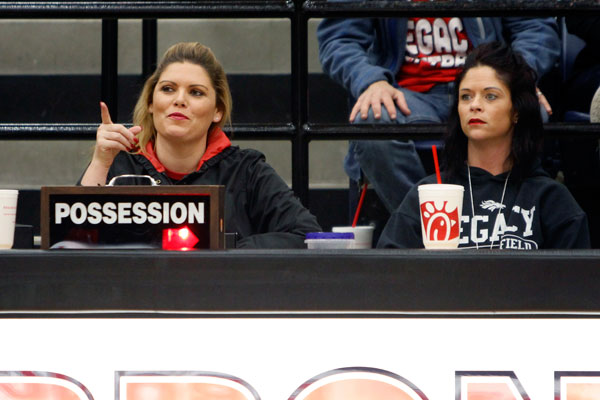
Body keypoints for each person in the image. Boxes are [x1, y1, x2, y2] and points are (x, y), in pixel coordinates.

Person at [317, 6, 560, 215]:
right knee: (372, 119)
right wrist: (371, 81)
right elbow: (339, 39)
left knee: (529, 111)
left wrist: (517, 78)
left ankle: (502, 225)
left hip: (486, 82)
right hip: (406, 95)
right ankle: (431, 227)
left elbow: (536, 28)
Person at [79, 42, 321, 248]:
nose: (179, 100)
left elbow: (306, 235)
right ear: (151, 103)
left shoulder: (247, 171)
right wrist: (101, 162)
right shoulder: (120, 164)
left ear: (217, 111)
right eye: (168, 89)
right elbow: (74, 241)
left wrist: (224, 249)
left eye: (196, 92)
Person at [377, 42, 590, 249]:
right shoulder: (429, 195)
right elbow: (386, 275)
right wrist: (426, 265)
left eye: (490, 96)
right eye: (466, 96)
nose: (475, 105)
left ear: (516, 110)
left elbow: (575, 281)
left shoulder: (550, 198)